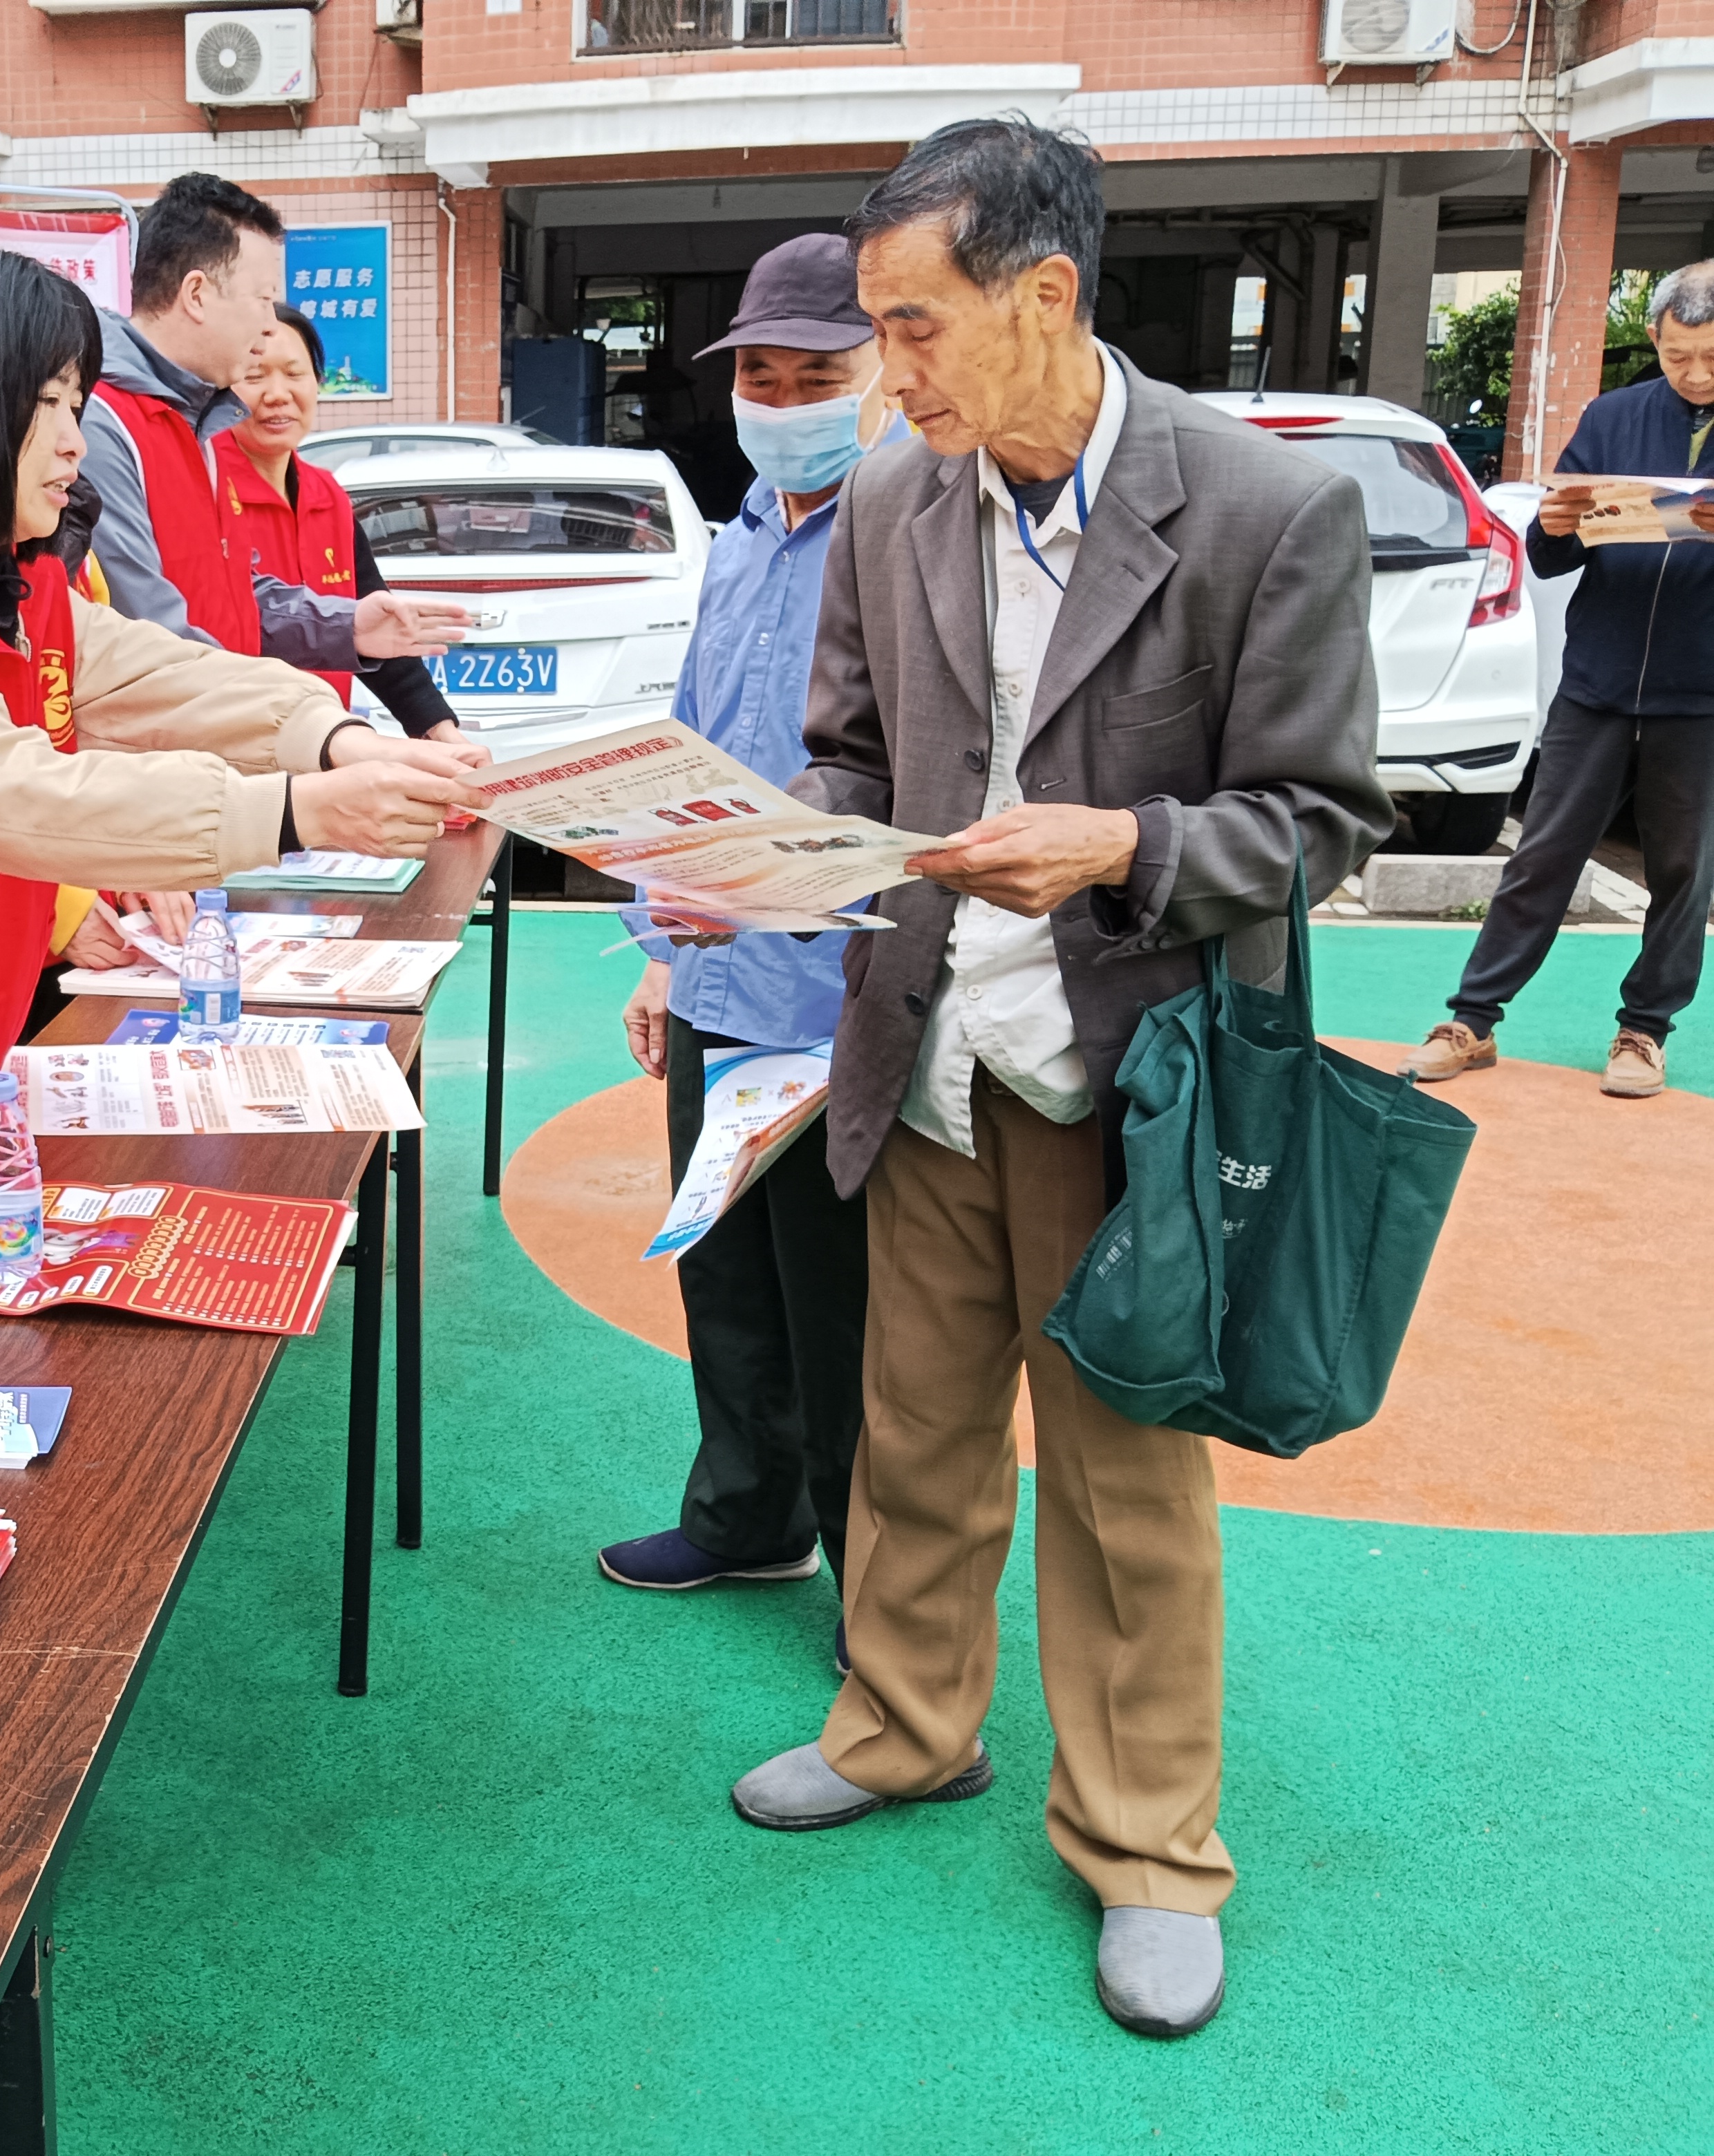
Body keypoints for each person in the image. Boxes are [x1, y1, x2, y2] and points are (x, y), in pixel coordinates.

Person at [726, 119, 1393, 2041]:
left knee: (1126, 1488)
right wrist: (773, 852)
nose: (889, 376)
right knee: (913, 1432)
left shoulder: (1263, 508)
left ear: (1045, 296)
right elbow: (851, 755)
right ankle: (907, 1726)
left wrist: (1119, 849)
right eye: (876, 337)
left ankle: (1150, 1848)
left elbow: (1322, 819)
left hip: (1136, 1080)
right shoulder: (892, 499)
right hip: (929, 1051)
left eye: (913, 332)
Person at [0, 238, 481, 1271]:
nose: (74, 443)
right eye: (50, 406)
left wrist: (333, 735)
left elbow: (168, 676)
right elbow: (27, 799)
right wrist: (299, 811)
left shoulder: (7, 592)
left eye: (78, 406)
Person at [594, 236, 892, 1663]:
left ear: (882, 371)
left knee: (840, 1308)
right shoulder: (743, 532)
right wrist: (660, 947)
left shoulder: (905, 537)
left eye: (814, 376)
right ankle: (743, 1515)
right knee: (720, 1266)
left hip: (837, 992)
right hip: (716, 974)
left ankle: (875, 1583)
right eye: (760, 378)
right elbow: (698, 742)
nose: (782, 400)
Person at [1402, 260, 1714, 1100]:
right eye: (1677, 355)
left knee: (1684, 869)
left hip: (1700, 694)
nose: (1692, 374)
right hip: (1595, 682)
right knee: (1540, 855)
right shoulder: (1613, 416)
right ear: (1653, 338)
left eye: (1710, 358)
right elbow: (1551, 552)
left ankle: (1642, 1032)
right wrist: (1552, 523)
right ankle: (1471, 1020)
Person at [79, 171, 467, 674]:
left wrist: (345, 626)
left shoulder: (199, 419)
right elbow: (146, 630)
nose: (270, 323)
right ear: (196, 294)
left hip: (217, 736)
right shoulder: (101, 422)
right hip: (162, 745)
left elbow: (234, 596)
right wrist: (307, 721)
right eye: (262, 298)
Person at [219, 301, 467, 744]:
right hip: (238, 749)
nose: (277, 394)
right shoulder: (204, 488)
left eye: (295, 374)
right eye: (254, 377)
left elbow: (375, 622)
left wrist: (439, 730)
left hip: (330, 747)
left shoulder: (327, 494)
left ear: (318, 383)